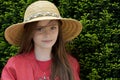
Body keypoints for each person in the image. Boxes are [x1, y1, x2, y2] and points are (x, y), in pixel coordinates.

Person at [1, 0, 82, 80]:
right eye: (39, 29)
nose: (47, 34)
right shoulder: (15, 65)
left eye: (52, 28)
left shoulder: (71, 64)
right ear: (30, 32)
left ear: (59, 30)